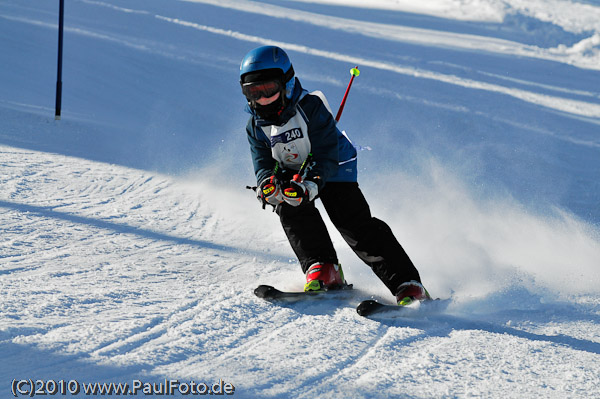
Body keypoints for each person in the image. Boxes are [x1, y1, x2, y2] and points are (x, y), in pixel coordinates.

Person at [240, 45, 430, 306]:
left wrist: (312, 183)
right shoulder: (255, 125)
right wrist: (267, 184)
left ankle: (407, 284)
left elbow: (327, 153)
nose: (261, 100)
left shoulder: (310, 107)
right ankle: (323, 267)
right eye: (253, 92)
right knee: (288, 203)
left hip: (335, 165)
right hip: (293, 169)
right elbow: (261, 161)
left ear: (286, 82)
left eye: (268, 90)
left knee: (351, 222)